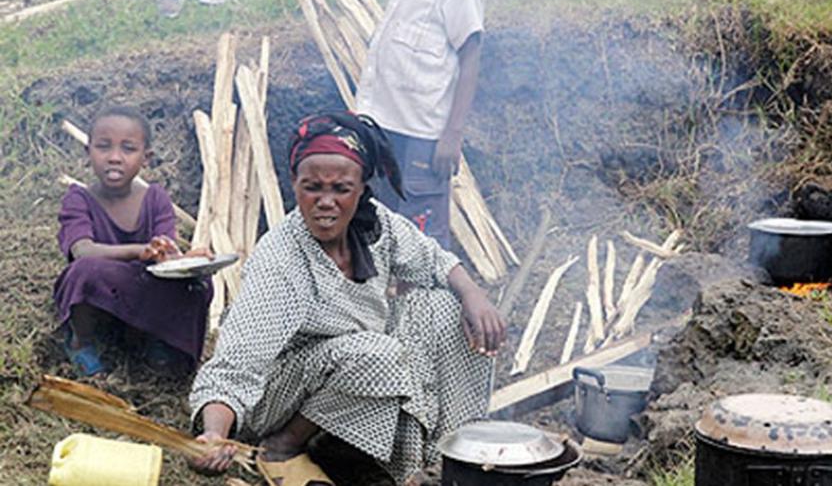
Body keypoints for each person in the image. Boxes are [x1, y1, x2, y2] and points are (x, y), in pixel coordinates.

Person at [188, 112, 505, 485]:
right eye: (312, 187)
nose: (326, 202)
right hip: (281, 394)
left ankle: (447, 455)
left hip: (358, 373)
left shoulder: (376, 226)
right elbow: (237, 365)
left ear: (360, 189)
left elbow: (434, 261)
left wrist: (474, 295)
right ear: (294, 184)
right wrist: (214, 433)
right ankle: (283, 447)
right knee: (377, 353)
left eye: (341, 189)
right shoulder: (282, 258)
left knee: (445, 310)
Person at [54, 105, 213, 378]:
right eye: (104, 147)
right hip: (101, 292)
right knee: (85, 271)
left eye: (128, 149)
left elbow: (165, 254)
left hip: (142, 286)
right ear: (88, 151)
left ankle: (158, 339)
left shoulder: (155, 198)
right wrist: (140, 251)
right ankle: (82, 341)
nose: (115, 157)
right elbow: (82, 251)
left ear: (146, 157)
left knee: (198, 283)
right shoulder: (78, 199)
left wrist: (187, 259)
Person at [355, 0, 484, 249]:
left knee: (422, 239)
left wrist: (452, 134)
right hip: (384, 127)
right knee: (382, 224)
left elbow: (471, 55)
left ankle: (423, 288)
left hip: (423, 137)